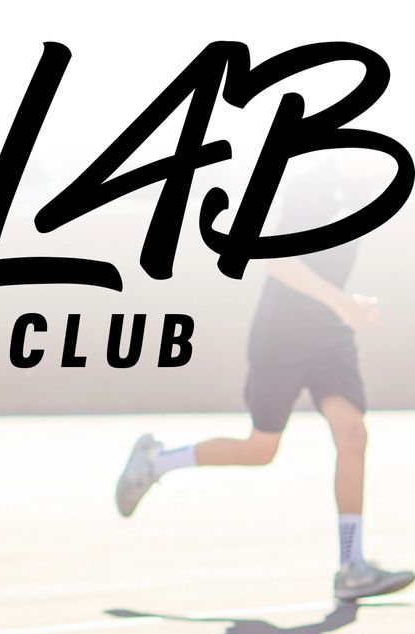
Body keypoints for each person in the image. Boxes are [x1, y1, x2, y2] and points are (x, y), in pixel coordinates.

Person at [115, 156, 413, 601]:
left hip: (330, 335)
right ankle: (156, 462)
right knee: (261, 449)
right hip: (282, 335)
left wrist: (348, 305)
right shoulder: (314, 183)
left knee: (352, 434)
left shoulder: (363, 191)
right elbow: (276, 258)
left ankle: (352, 567)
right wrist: (341, 303)